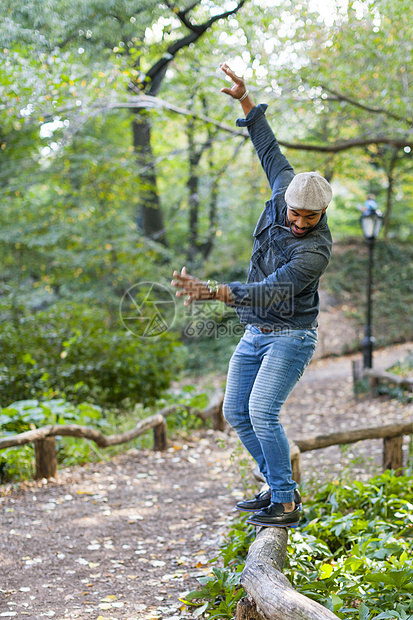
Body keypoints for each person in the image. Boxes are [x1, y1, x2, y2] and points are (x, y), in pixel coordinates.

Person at [171, 63, 333, 528]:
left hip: (290, 333)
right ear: (287, 200)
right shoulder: (284, 185)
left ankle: (285, 501)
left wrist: (216, 292)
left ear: (322, 214)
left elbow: (271, 291)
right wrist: (245, 99)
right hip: (255, 331)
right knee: (235, 412)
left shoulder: (314, 252)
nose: (300, 223)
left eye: (310, 218)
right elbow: (267, 145)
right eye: (296, 214)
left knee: (263, 411)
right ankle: (273, 486)